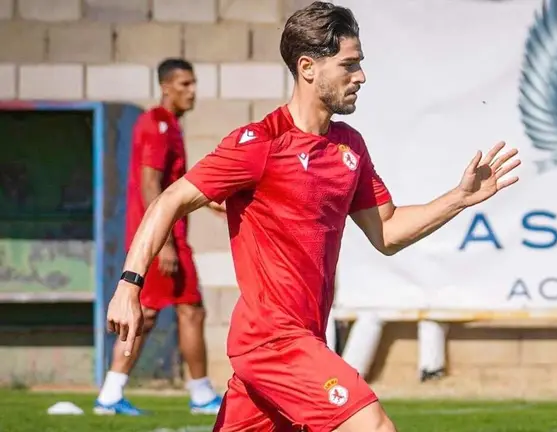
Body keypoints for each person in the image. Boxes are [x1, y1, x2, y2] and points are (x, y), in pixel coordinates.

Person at [105, 2, 520, 430]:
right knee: (374, 426)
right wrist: (129, 285)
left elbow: (388, 232)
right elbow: (167, 201)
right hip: (272, 341)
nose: (361, 77)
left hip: (302, 340)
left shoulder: (350, 147)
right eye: (349, 65)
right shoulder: (260, 143)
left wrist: (459, 197)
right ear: (308, 67)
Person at [95, 58, 225, 416]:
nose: (192, 91)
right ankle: (196, 395)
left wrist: (210, 202)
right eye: (184, 84)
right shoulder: (157, 125)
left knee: (177, 312)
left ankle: (113, 393)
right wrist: (164, 242)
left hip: (166, 235)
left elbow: (173, 188)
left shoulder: (170, 126)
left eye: (194, 83)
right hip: (161, 239)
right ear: (166, 86)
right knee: (168, 312)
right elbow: (152, 185)